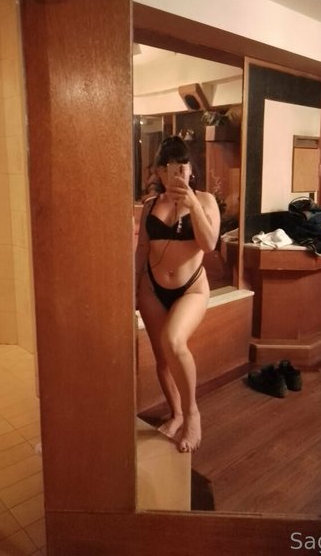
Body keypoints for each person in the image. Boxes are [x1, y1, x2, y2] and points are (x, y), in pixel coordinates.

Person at [135, 136, 221, 453]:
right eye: (169, 167)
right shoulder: (150, 206)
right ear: (159, 171)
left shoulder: (206, 201)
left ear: (190, 169)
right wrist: (133, 289)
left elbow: (209, 244)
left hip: (192, 289)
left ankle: (192, 415)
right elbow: (142, 250)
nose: (177, 173)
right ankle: (176, 414)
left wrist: (192, 204)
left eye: (182, 165)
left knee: (173, 341)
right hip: (152, 289)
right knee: (162, 357)